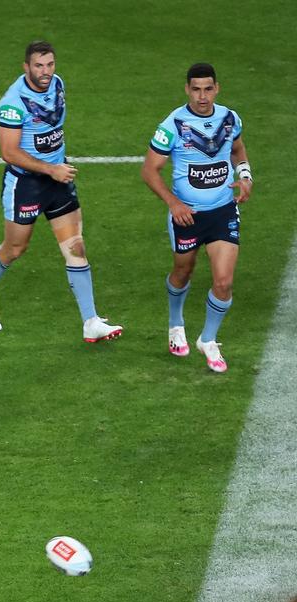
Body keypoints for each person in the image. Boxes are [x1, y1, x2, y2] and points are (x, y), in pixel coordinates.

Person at [0, 40, 122, 343]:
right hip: (25, 184)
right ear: (26, 67)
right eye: (38, 66)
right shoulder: (13, 103)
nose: (45, 72)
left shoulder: (57, 85)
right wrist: (51, 168)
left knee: (75, 246)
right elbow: (9, 152)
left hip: (59, 179)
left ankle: (90, 321)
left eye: (50, 65)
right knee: (15, 249)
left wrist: (57, 166)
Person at [141, 63, 252, 373]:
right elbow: (149, 170)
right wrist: (174, 203)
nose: (202, 96)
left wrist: (245, 175)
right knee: (183, 271)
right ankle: (176, 323)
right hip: (187, 215)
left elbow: (238, 150)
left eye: (208, 88)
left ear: (217, 88)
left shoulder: (230, 119)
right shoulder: (173, 125)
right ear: (187, 90)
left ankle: (208, 339)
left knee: (224, 281)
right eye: (196, 89)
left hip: (222, 211)